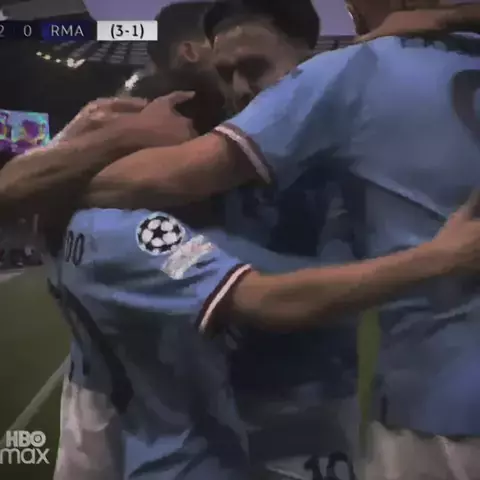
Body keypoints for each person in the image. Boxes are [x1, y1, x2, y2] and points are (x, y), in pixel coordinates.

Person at [49, 67, 480, 480]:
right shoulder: (134, 233)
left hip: (148, 442)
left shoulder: (66, 219)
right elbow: (271, 299)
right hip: (188, 464)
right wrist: (436, 256)